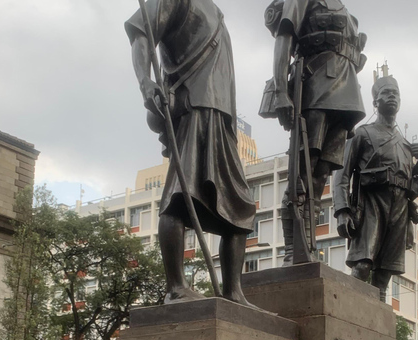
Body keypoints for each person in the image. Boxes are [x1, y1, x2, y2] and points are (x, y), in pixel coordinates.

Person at [125, 0, 256, 305]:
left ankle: (233, 291)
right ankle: (176, 287)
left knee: (240, 207)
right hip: (194, 108)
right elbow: (141, 34)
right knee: (180, 196)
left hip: (222, 119)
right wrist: (146, 82)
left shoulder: (217, 12)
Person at [262, 0, 368, 265]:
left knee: (320, 177)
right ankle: (292, 250)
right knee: (301, 174)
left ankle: (308, 246)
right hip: (314, 88)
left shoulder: (346, 11)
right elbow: (284, 39)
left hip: (345, 96)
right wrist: (281, 91)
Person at [333, 75, 418, 301]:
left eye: (396, 93)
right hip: (371, 205)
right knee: (363, 266)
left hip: (399, 210)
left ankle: (378, 325)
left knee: (384, 275)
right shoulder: (362, 134)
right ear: (376, 101)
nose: (392, 97)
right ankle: (349, 314)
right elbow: (342, 173)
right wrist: (342, 210)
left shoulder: (406, 145)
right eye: (386, 93)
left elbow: (412, 191)